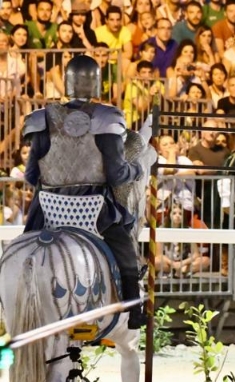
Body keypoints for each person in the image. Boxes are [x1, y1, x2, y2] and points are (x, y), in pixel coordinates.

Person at [21, 54, 147, 329]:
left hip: (48, 212)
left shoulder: (42, 119)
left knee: (24, 253)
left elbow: (31, 175)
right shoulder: (108, 118)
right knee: (125, 249)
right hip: (95, 212)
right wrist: (137, 170)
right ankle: (133, 310)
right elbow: (116, 175)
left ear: (66, 82)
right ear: (96, 84)